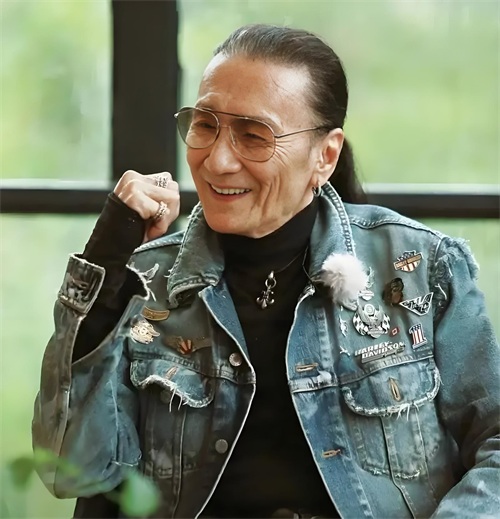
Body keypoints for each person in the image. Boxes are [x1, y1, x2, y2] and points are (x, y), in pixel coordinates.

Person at [32, 24, 499, 519]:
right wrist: (105, 264)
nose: (217, 160)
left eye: (254, 136)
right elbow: (72, 471)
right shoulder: (144, 283)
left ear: (325, 155)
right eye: (205, 125)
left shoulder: (419, 269)